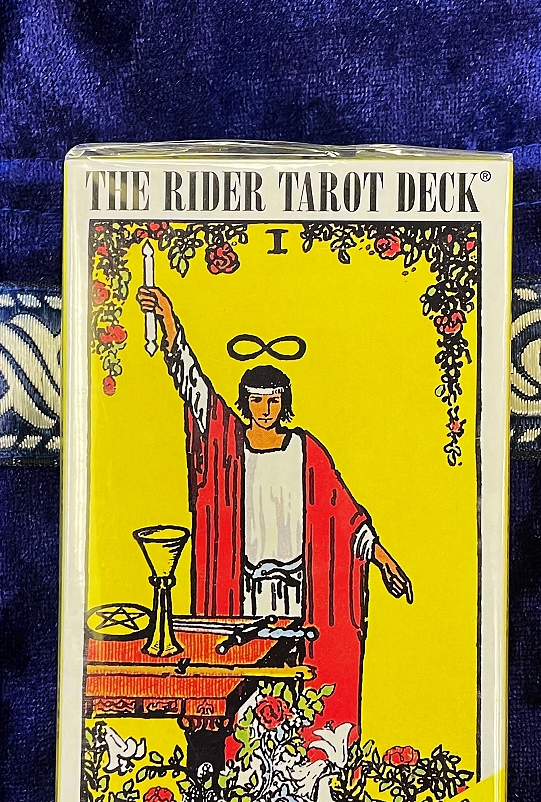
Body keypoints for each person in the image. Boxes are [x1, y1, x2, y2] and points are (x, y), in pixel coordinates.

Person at [136, 283, 412, 736]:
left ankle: (301, 770)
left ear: (285, 403)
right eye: (257, 400)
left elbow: (344, 517)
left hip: (301, 597)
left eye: (273, 400)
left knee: (299, 691)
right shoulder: (227, 444)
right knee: (246, 693)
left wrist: (383, 560)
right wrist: (169, 324)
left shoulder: (306, 451)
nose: (265, 409)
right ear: (244, 403)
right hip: (243, 596)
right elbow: (194, 387)